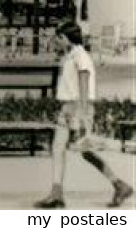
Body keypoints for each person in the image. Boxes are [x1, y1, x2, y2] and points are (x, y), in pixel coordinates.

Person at [35, 22, 133, 209]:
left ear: (66, 39)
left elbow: (84, 87)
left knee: (82, 151)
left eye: (59, 38)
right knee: (62, 148)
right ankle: (57, 194)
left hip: (76, 108)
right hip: (69, 108)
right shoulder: (72, 56)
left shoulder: (81, 57)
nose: (56, 41)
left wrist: (83, 116)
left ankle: (118, 185)